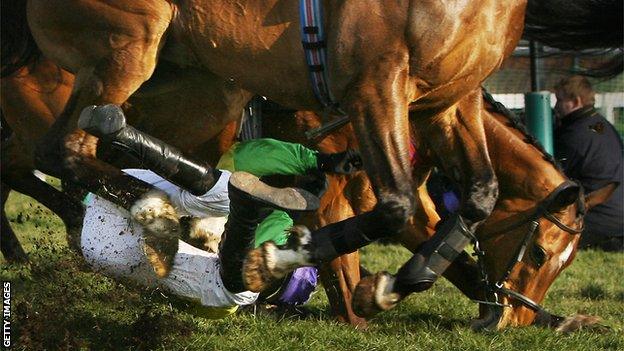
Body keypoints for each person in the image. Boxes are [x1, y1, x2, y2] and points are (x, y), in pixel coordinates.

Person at [77, 104, 363, 318]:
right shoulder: (235, 297)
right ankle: (120, 134)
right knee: (223, 198)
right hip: (109, 223)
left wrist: (317, 163)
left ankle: (122, 137)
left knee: (227, 210)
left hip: (114, 231)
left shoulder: (234, 296)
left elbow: (244, 157)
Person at [553, 75, 623, 252]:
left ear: (576, 101)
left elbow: (553, 180)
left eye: (560, 100)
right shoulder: (601, 124)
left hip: (597, 222)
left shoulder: (574, 135)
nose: (555, 107)